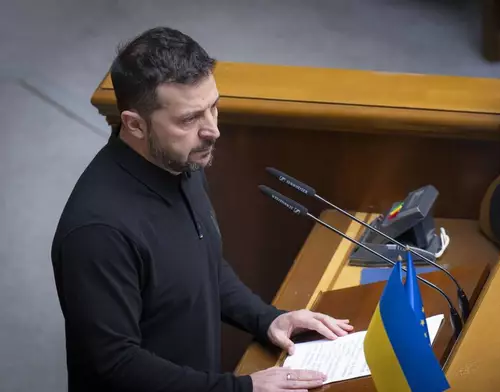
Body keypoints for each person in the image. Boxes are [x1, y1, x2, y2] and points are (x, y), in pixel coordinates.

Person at [51, 26, 353, 392]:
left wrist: (267, 319)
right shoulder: (97, 232)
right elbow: (115, 365)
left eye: (214, 108)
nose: (212, 130)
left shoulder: (180, 160)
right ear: (135, 125)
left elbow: (201, 264)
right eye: (189, 119)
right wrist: (241, 388)